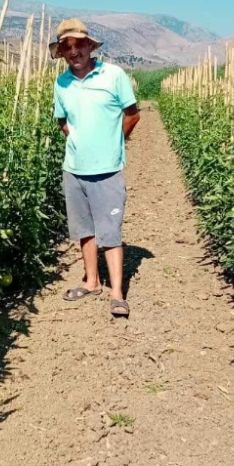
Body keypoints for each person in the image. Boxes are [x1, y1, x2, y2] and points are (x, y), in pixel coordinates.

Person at [50, 18, 140, 317]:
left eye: (79, 45)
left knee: (110, 232)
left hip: (107, 169)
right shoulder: (61, 83)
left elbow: (132, 114)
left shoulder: (113, 75)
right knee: (84, 230)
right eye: (67, 47)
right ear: (62, 53)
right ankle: (92, 282)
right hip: (74, 168)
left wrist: (116, 142)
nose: (73, 51)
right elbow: (62, 120)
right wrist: (78, 140)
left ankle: (117, 293)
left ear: (90, 46)